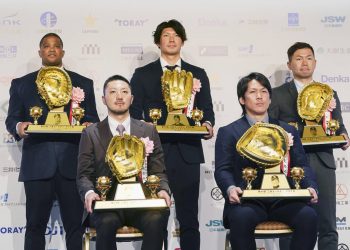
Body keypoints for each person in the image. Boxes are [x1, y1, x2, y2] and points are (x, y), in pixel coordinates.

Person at [5, 33, 99, 250]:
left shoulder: (82, 83)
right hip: (37, 165)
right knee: (34, 226)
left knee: (75, 227)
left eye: (56, 46)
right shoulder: (22, 84)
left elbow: (92, 118)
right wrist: (20, 127)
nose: (51, 49)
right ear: (40, 52)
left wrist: (88, 126)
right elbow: (12, 119)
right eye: (46, 46)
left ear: (62, 52)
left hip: (72, 164)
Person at [129, 19, 215, 250]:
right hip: (154, 154)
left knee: (189, 218)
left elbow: (207, 109)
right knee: (156, 218)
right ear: (158, 41)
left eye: (176, 35)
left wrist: (206, 124)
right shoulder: (142, 74)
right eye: (166, 35)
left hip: (188, 152)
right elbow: (134, 115)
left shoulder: (197, 74)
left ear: (182, 41)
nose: (171, 39)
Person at [215, 72, 319, 250]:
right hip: (247, 202)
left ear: (270, 99)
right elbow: (222, 169)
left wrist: (310, 186)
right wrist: (231, 189)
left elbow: (301, 164)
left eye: (264, 92)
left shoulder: (287, 130)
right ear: (242, 99)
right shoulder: (229, 132)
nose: (259, 96)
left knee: (308, 216)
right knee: (241, 218)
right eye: (253, 92)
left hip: (283, 200)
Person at [269, 42, 350, 250]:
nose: (304, 63)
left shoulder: (328, 93)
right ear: (289, 64)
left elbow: (338, 125)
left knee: (327, 223)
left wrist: (343, 135)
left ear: (315, 62)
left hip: (323, 161)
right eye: (298, 58)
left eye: (308, 58)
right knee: (290, 223)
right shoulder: (276, 94)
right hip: (290, 164)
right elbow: (271, 130)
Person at [77, 75, 171, 250]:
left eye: (124, 92)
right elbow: (84, 174)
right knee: (106, 221)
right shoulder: (91, 133)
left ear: (132, 98)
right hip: (107, 205)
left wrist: (163, 189)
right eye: (113, 92)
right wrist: (89, 192)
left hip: (142, 203)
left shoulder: (148, 130)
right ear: (104, 100)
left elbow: (158, 170)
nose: (119, 97)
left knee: (156, 218)